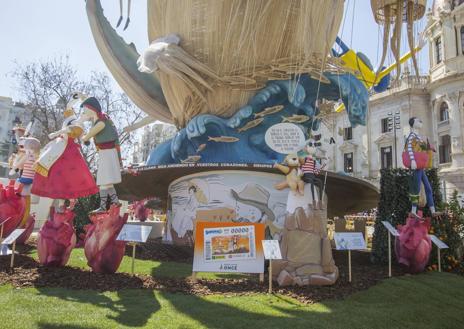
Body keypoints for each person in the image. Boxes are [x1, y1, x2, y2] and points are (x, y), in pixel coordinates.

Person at [32, 106, 99, 207]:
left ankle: (66, 201)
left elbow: (70, 129)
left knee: (68, 174)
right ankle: (63, 202)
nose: (84, 115)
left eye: (86, 115)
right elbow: (68, 110)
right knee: (59, 174)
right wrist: (74, 100)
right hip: (61, 146)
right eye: (84, 113)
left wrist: (56, 133)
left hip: (68, 149)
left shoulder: (79, 125)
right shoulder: (73, 118)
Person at [78, 97, 122, 212]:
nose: (84, 112)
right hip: (106, 153)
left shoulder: (101, 123)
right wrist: (82, 97)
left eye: (85, 109)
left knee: (103, 181)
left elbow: (88, 136)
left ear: (91, 109)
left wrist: (83, 133)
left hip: (107, 153)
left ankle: (103, 207)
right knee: (107, 182)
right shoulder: (100, 120)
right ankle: (116, 202)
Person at [403, 117, 437, 216]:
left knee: (428, 188)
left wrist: (430, 148)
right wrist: (413, 160)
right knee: (416, 189)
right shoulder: (412, 136)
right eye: (418, 120)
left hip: (420, 166)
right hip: (416, 166)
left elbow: (422, 149)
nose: (421, 121)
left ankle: (433, 211)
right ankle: (413, 211)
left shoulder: (418, 137)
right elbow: (409, 149)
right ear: (413, 124)